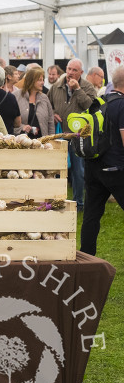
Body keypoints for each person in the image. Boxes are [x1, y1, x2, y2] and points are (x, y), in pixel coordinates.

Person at [80, 65, 124, 255]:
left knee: (91, 215)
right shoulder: (122, 105)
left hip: (93, 166)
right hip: (116, 169)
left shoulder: (99, 101)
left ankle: (86, 258)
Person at [48, 58, 97, 210]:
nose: (70, 73)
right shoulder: (57, 85)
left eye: (74, 70)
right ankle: (55, 201)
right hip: (60, 134)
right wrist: (54, 114)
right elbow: (48, 104)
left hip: (78, 136)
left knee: (78, 171)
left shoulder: (87, 87)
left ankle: (78, 203)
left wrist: (77, 90)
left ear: (81, 73)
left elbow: (92, 107)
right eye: (69, 69)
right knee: (56, 169)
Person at [15, 66, 55, 138]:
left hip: (42, 143)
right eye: (39, 80)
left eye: (43, 80)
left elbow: (50, 122)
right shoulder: (17, 96)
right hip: (22, 143)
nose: (42, 83)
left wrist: (51, 139)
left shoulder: (44, 98)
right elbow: (11, 121)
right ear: (31, 81)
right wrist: (22, 127)